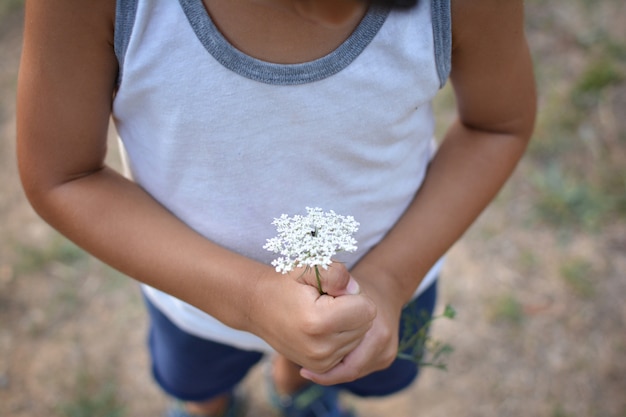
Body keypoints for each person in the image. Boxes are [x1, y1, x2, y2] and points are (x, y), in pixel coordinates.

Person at [16, 0, 536, 416]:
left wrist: (391, 281)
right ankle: (205, 407)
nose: (336, 11)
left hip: (383, 292)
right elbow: (64, 176)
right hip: (197, 305)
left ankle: (295, 389)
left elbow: (496, 124)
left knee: (320, 356)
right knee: (196, 379)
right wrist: (249, 299)